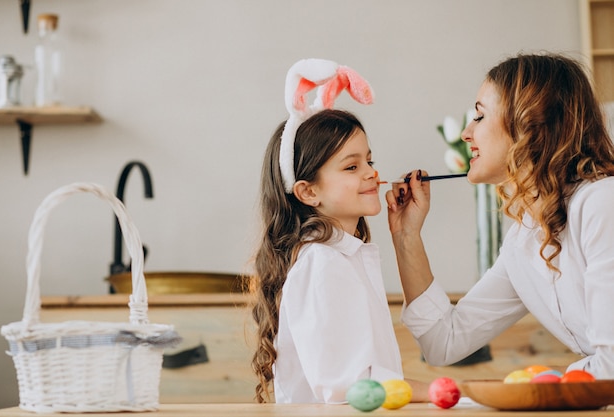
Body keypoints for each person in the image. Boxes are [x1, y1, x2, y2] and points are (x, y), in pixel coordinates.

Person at [386, 53, 614, 378]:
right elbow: (443, 343)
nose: (466, 133)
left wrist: (528, 387)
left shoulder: (603, 204)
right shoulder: (525, 239)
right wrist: (407, 237)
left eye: (479, 117)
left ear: (529, 125)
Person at [250, 58, 428, 404]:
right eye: (352, 166)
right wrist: (455, 393)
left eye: (369, 162)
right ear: (308, 191)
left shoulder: (341, 258)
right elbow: (353, 388)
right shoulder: (323, 262)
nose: (371, 174)